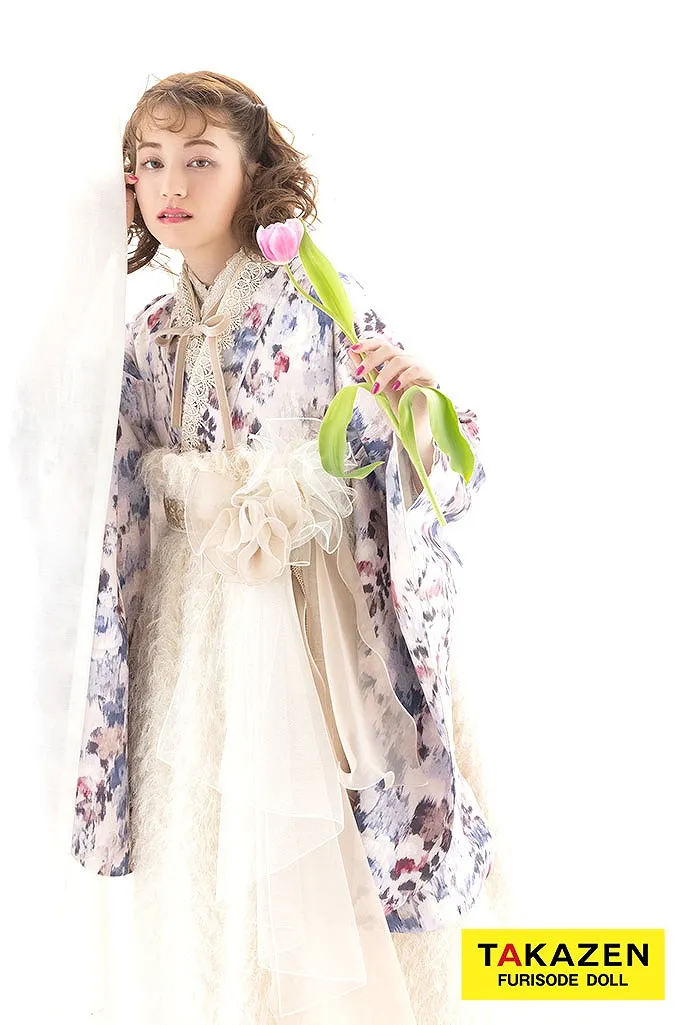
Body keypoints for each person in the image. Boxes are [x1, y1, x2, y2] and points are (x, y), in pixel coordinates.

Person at [71, 70, 493, 1025]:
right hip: (191, 630)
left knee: (331, 859)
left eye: (199, 160)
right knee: (210, 868)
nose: (171, 184)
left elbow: (427, 457)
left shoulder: (313, 296)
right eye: (150, 163)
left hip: (313, 618)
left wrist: (412, 404)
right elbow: (114, 507)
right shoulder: (145, 334)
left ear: (251, 170)